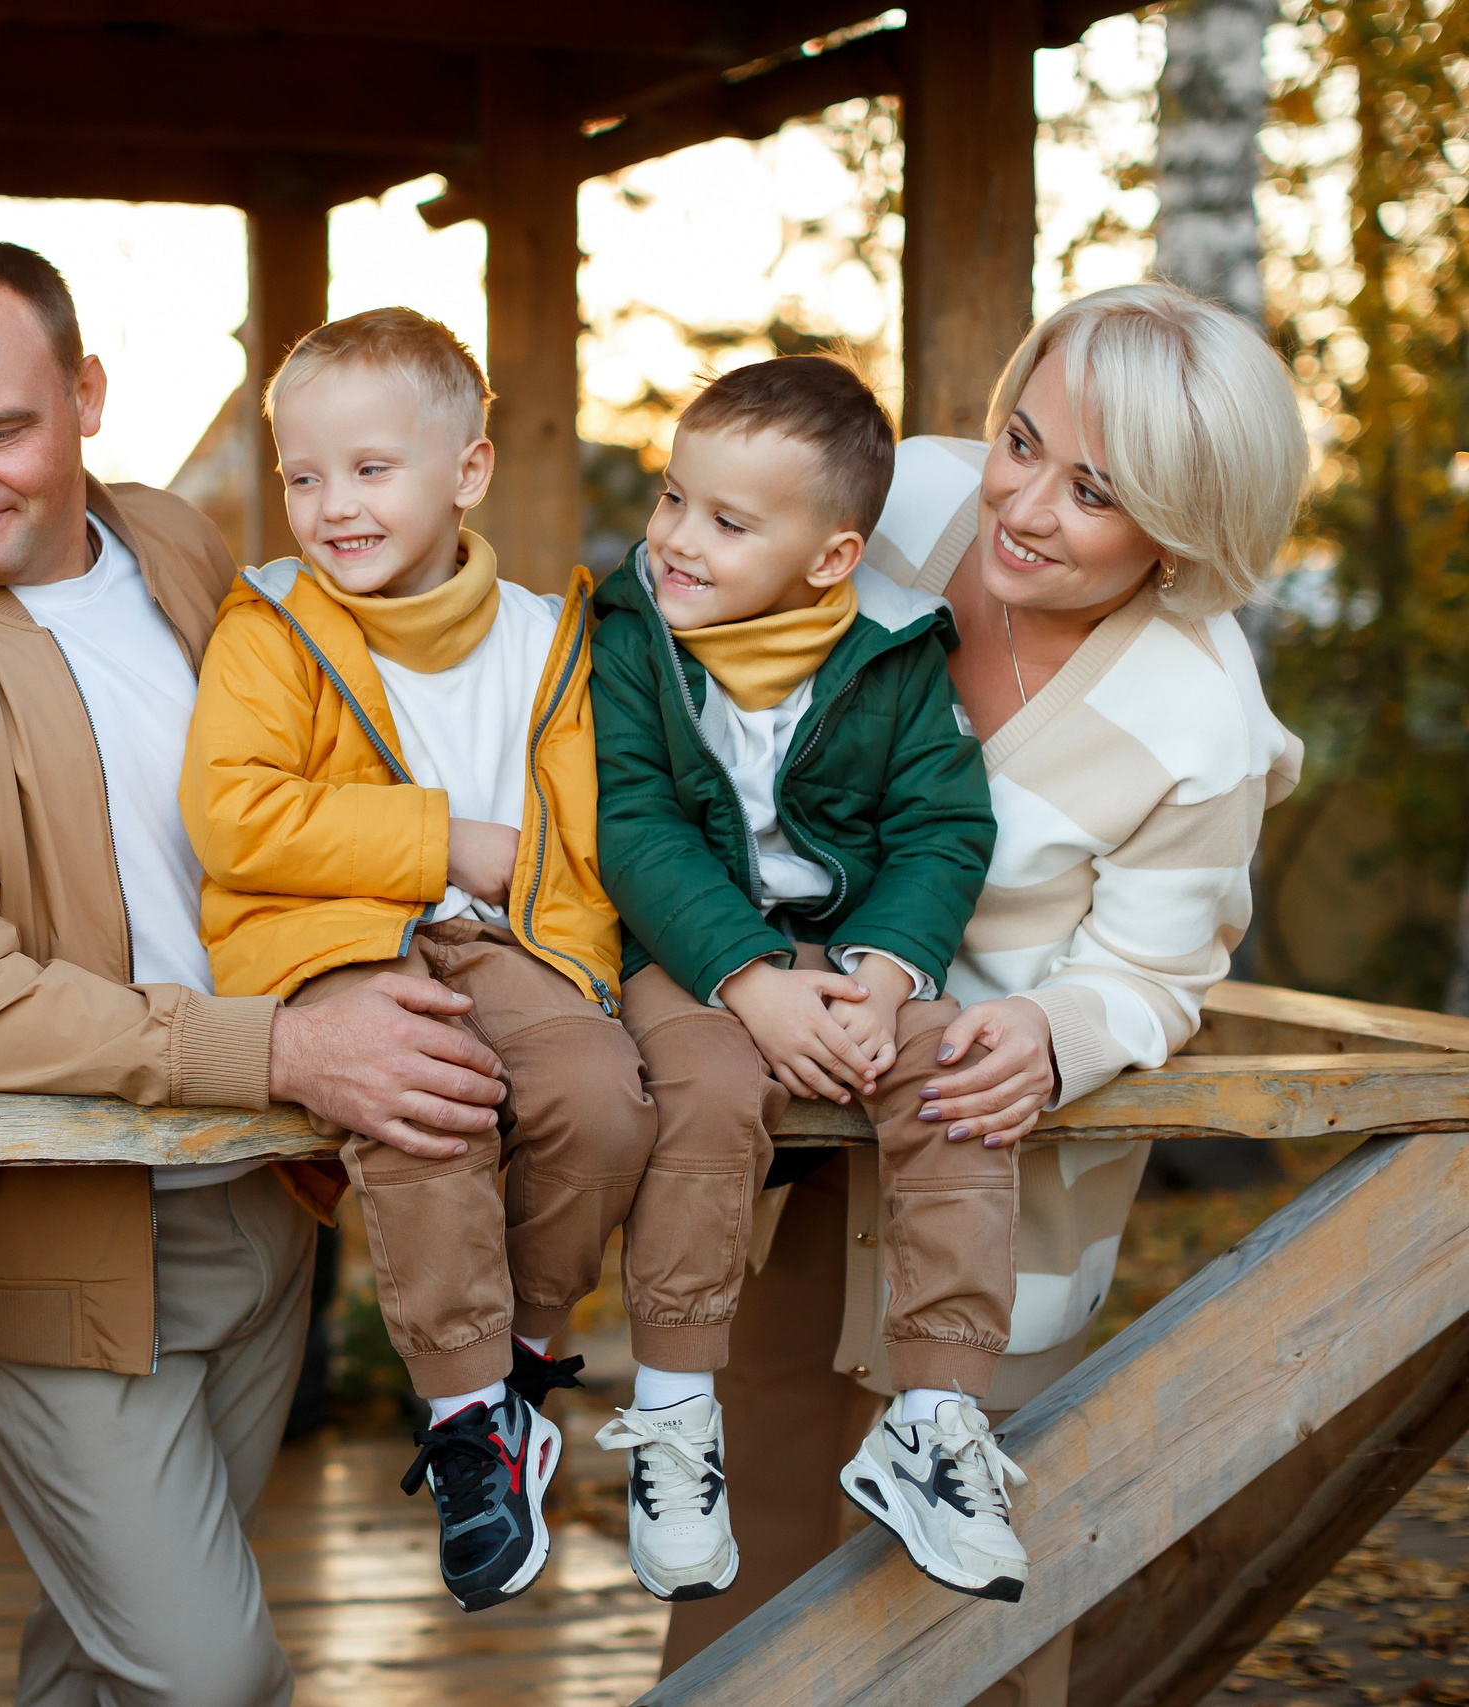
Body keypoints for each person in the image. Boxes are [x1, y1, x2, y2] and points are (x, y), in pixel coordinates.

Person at [0, 244, 512, 1707]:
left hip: (263, 1194)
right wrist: (287, 1049)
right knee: (205, 1669)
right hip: (63, 1243)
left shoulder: (177, 543)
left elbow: (310, 790)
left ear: (88, 396)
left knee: (105, 1652)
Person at [657, 285, 1308, 1706]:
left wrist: (1052, 1033)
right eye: (1023, 441)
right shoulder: (901, 506)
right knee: (740, 1543)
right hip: (792, 1121)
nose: (1022, 503)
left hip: (987, 1172)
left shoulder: (1201, 717)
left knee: (958, 1614)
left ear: (1184, 527)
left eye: (1094, 491)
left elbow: (1157, 970)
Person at [180, 307, 646, 1612]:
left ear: (468, 470)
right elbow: (234, 814)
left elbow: (592, 833)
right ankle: (460, 1415)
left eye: (371, 469)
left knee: (602, 1097)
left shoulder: (551, 638)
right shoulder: (273, 627)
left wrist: (576, 961)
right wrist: (451, 839)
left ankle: (524, 1368)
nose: (332, 505)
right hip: (330, 932)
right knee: (420, 1087)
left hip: (511, 939)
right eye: (304, 476)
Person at [589, 353, 1005, 1601]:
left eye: (727, 522)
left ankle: (935, 1415)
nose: (678, 537)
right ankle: (674, 1410)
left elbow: (942, 826)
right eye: (673, 498)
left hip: (854, 947)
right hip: (692, 952)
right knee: (707, 1094)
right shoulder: (630, 634)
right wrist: (746, 975)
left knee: (957, 1081)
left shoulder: (895, 649)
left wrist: (885, 975)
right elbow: (633, 824)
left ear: (830, 558)